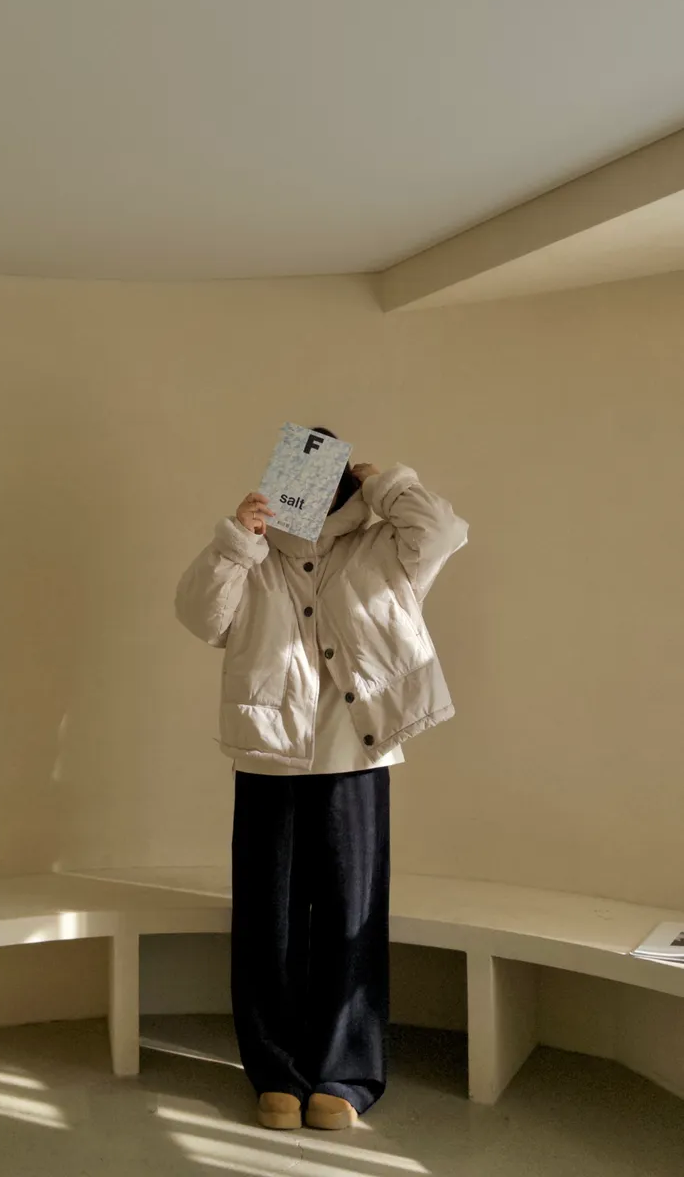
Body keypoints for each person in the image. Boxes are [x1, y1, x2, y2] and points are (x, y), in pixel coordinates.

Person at [175, 429, 467, 1131]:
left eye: (330, 476)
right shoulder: (254, 556)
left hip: (356, 758)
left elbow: (445, 531)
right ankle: (275, 1069)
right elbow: (200, 616)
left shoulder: (383, 545)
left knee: (350, 918)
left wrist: (386, 483)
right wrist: (237, 542)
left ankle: (346, 1072)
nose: (314, 489)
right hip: (268, 757)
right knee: (267, 923)